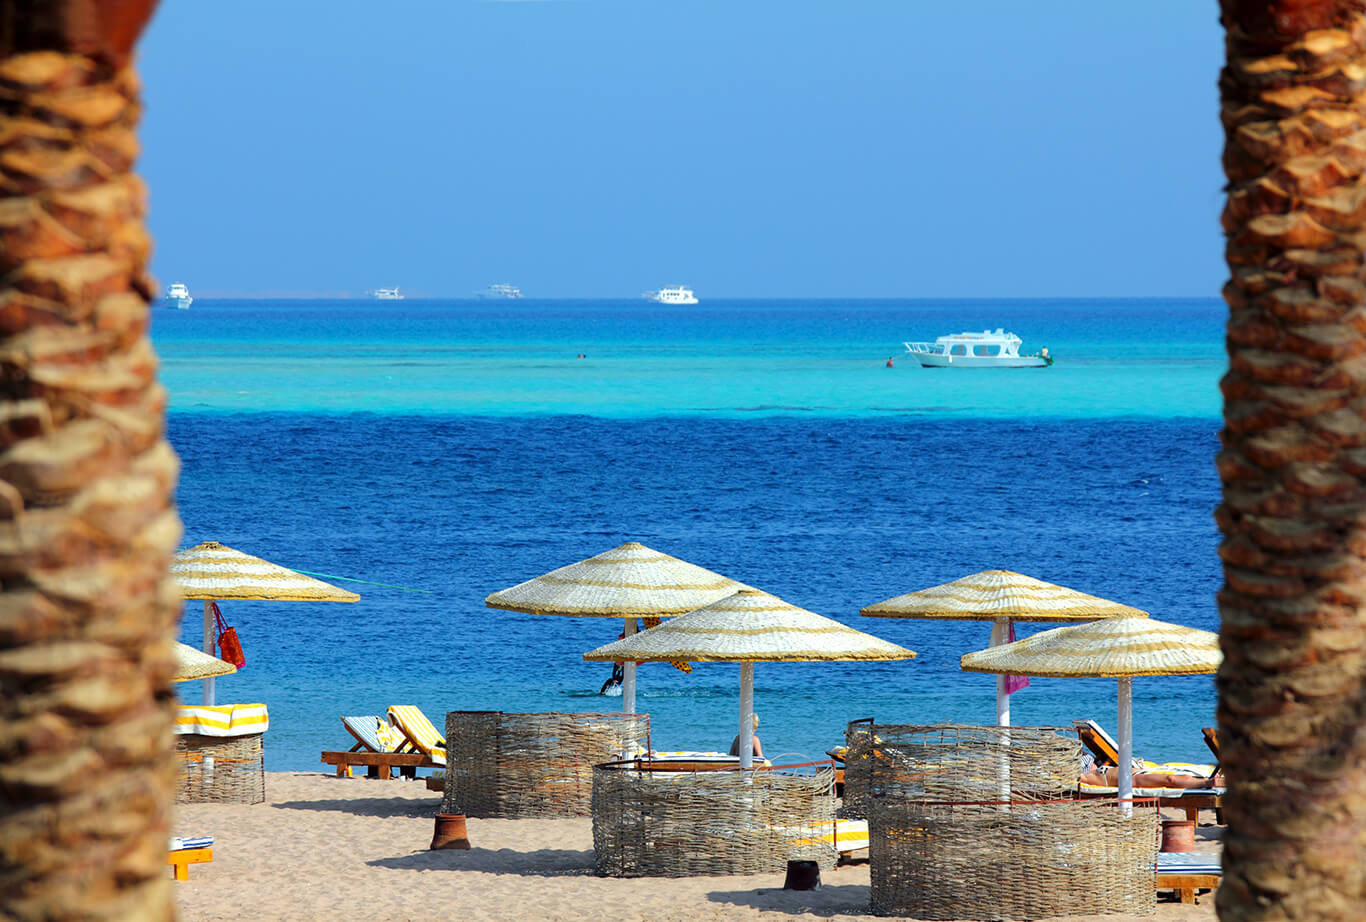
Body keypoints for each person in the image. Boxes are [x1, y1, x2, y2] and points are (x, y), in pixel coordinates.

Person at [1079, 749, 1222, 788]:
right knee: (1169, 779)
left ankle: (1208, 781)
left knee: (1171, 776)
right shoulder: (1078, 775)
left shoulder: (1075, 760)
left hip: (1129, 773)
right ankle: (1207, 783)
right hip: (1128, 780)